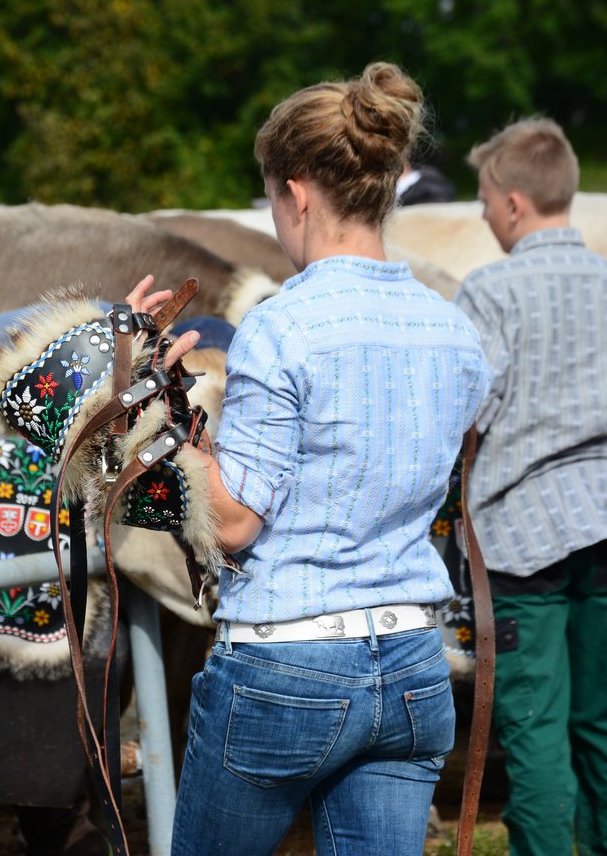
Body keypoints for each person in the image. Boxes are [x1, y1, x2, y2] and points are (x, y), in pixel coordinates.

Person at [144, 62, 491, 855]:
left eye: (272, 198)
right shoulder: (453, 328)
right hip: (412, 660)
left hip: (285, 665)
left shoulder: (282, 326)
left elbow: (233, 522)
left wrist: (168, 412)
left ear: (296, 193)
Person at [453, 117, 607, 856]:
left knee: (534, 729)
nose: (480, 213)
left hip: (520, 538)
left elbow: (472, 410)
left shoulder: (489, 292)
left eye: (481, 199)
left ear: (511, 203)